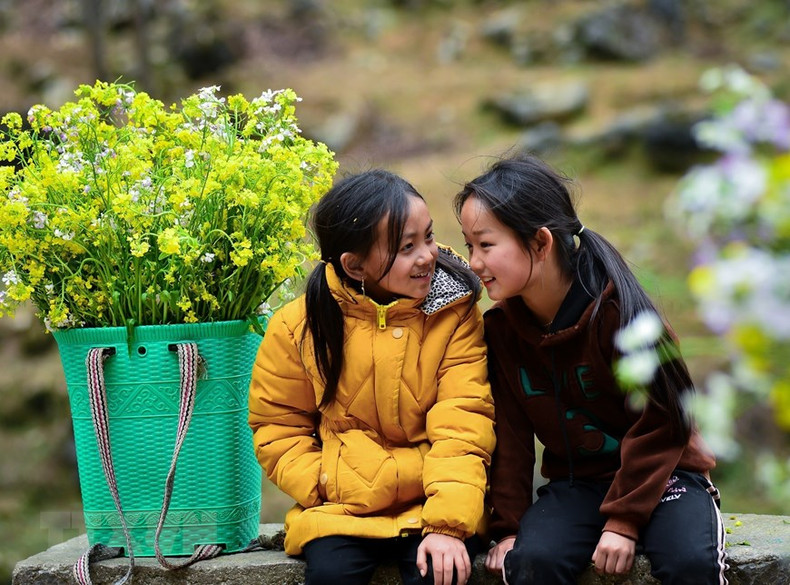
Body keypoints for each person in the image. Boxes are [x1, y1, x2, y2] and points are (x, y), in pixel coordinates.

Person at [455, 154, 728, 585]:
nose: (473, 261)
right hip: (578, 484)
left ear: (541, 243)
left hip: (665, 476)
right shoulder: (501, 331)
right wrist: (507, 528)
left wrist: (623, 521)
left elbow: (664, 421)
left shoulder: (623, 315)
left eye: (486, 245)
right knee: (532, 563)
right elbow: (509, 435)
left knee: (690, 563)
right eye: (470, 245)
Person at [248, 169, 496, 585]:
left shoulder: (454, 312)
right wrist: (324, 482)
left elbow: (464, 420)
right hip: (341, 510)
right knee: (332, 575)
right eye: (406, 247)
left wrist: (448, 525)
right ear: (354, 265)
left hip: (431, 503)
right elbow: (277, 426)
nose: (426, 256)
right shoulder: (298, 326)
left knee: (440, 573)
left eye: (429, 237)